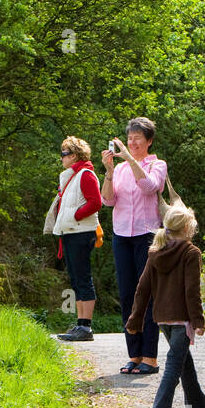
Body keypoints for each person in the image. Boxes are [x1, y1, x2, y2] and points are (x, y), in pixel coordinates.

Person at [126, 204, 205, 408]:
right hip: (182, 319)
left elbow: (142, 289)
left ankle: (198, 407)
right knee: (174, 364)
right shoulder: (191, 253)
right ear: (189, 228)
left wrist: (135, 320)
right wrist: (198, 320)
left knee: (183, 362)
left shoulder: (155, 253)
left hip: (162, 319)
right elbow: (192, 291)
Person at [102, 116, 167, 374]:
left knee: (148, 294)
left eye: (137, 139)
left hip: (147, 235)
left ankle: (150, 356)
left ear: (149, 141)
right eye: (129, 139)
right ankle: (135, 355)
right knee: (128, 294)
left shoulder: (157, 165)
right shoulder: (118, 170)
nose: (132, 143)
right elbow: (107, 201)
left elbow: (150, 187)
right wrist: (108, 171)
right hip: (122, 235)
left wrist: (130, 158)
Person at [49, 136, 102, 341]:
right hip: (71, 232)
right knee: (76, 279)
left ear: (74, 155)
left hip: (81, 231)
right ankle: (80, 324)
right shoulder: (72, 176)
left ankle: (86, 327)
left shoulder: (85, 175)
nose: (61, 158)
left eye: (64, 154)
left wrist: (74, 216)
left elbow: (95, 202)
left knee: (83, 278)